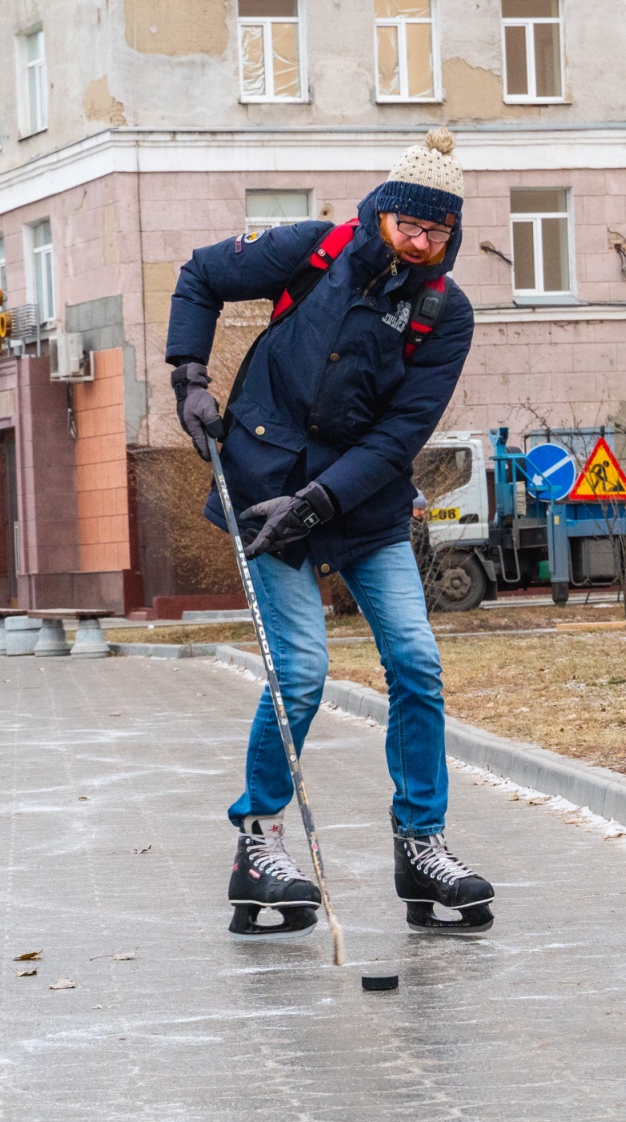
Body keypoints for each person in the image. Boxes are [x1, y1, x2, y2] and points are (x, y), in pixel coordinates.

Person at [166, 127, 494, 941]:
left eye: (438, 234)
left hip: (364, 506)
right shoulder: (314, 252)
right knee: (303, 672)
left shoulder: (444, 315)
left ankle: (421, 843)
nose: (421, 245)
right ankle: (261, 843)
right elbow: (200, 275)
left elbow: (399, 438)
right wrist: (190, 378)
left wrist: (318, 503)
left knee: (416, 663)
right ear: (382, 214)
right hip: (262, 489)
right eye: (409, 228)